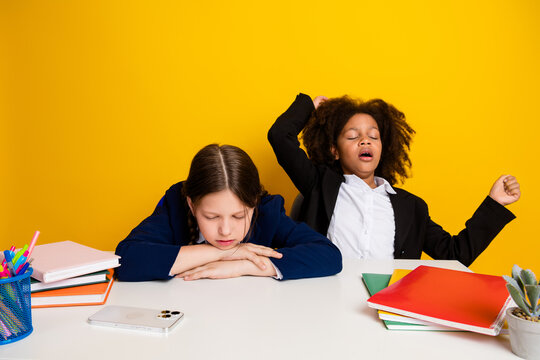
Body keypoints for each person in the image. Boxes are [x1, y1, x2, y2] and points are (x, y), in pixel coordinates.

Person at [268, 93, 521, 266]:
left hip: (385, 310)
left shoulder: (412, 208)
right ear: (334, 150)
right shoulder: (319, 184)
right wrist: (310, 107)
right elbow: (280, 136)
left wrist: (494, 204)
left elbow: (456, 255)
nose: (364, 140)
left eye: (373, 136)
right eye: (353, 136)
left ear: (382, 149)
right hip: (325, 300)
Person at [115, 143, 342, 282]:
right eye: (211, 217)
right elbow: (125, 259)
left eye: (238, 216)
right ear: (192, 206)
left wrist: (244, 264)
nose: (225, 231)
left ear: (254, 204)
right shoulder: (176, 206)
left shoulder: (267, 211)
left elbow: (329, 256)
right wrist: (227, 252)